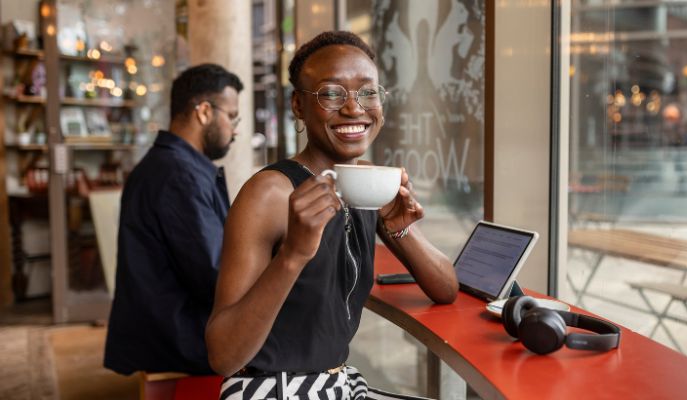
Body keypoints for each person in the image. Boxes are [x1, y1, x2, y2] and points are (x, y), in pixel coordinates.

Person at [206, 31, 458, 399]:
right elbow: (223, 355)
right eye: (331, 93)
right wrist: (293, 255)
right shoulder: (270, 193)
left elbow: (446, 288)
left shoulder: (366, 184)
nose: (354, 108)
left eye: (367, 92)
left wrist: (403, 231)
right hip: (272, 388)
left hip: (337, 383)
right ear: (298, 106)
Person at [104, 63, 243, 375]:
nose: (235, 130)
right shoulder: (179, 175)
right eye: (232, 117)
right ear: (204, 111)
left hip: (161, 329)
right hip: (177, 338)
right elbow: (215, 277)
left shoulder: (171, 165)